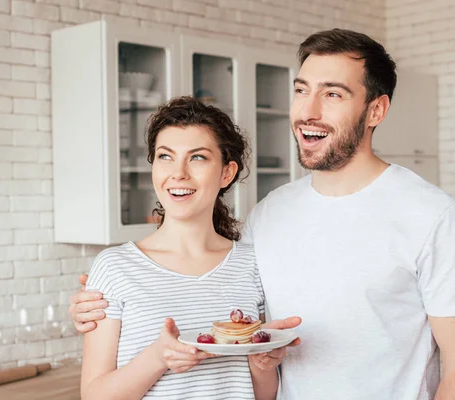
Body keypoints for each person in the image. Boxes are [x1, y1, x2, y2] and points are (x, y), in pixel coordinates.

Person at [69, 28, 455, 400]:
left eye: (333, 94)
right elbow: (224, 307)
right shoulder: (268, 215)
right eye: (301, 90)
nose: (308, 110)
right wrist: (102, 300)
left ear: (376, 110)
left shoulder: (430, 215)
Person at [80, 96, 301, 400]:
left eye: (197, 157)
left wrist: (262, 365)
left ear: (227, 172)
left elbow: (264, 396)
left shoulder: (252, 264)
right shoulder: (115, 267)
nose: (178, 173)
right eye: (165, 156)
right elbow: (94, 395)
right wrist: (158, 357)